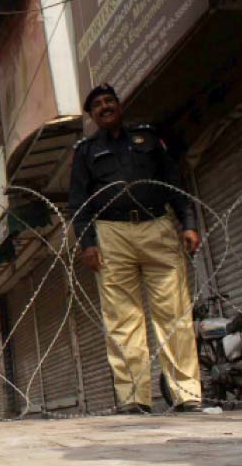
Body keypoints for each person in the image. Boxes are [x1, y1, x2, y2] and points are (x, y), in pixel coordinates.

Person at [68, 83, 202, 414]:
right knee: (122, 320)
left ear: (119, 105)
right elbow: (78, 201)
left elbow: (172, 182)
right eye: (97, 105)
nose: (104, 107)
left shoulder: (147, 138)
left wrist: (188, 223)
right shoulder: (85, 152)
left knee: (174, 314)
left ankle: (187, 394)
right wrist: (86, 243)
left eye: (109, 101)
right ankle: (133, 399)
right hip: (112, 234)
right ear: (91, 116)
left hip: (157, 228)